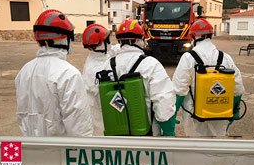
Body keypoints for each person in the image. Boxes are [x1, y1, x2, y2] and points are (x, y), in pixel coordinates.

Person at [15, 9, 93, 137]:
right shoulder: (69, 74)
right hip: (59, 153)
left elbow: (23, 116)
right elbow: (80, 128)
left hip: (30, 148)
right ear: (64, 38)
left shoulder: (24, 71)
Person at [172, 18, 245, 136]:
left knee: (196, 148)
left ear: (194, 37)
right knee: (217, 148)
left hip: (194, 115)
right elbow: (238, 87)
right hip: (221, 113)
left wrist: (172, 114)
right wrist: (234, 110)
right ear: (210, 35)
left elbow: (179, 89)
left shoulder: (188, 58)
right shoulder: (225, 57)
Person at [106, 18, 176, 136]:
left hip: (116, 133)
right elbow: (164, 100)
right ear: (140, 40)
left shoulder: (107, 64)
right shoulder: (150, 64)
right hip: (145, 133)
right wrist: (168, 130)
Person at [82, 24, 120, 135]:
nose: (110, 43)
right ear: (100, 45)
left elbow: (112, 50)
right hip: (102, 125)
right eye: (107, 40)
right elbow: (108, 99)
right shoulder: (95, 70)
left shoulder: (98, 56)